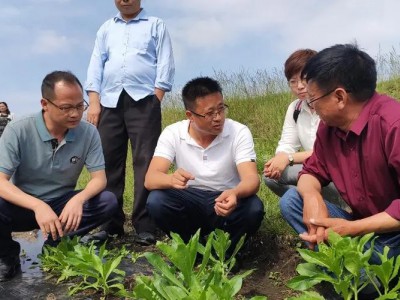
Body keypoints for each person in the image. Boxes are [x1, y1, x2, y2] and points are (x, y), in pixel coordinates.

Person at [280, 44, 400, 264]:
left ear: (340, 97)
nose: (312, 108)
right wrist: (312, 197)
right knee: (291, 200)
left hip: (394, 231)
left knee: (364, 276)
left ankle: (354, 269)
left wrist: (353, 228)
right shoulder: (330, 129)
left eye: (313, 100)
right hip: (361, 226)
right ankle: (352, 266)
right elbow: (311, 171)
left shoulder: (393, 124)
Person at [0, 71, 118, 281]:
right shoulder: (19, 129)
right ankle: (8, 256)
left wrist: (78, 199)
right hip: (24, 205)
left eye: (80, 106)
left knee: (107, 200)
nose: (75, 114)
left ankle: (55, 244)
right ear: (45, 103)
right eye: (66, 108)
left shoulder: (89, 133)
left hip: (62, 208)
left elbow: (99, 179)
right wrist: (37, 205)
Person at [85, 0, 175, 245]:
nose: (125, 0)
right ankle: (110, 225)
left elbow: (165, 61)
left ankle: (145, 225)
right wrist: (94, 101)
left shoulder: (155, 25)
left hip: (144, 100)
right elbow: (96, 64)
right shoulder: (106, 29)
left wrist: (156, 97)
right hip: (109, 101)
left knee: (145, 161)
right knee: (108, 161)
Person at [145, 77, 265, 255]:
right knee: (157, 201)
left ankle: (227, 254)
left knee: (253, 208)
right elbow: (150, 178)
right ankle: (191, 248)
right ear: (190, 116)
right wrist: (171, 179)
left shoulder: (238, 132)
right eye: (210, 113)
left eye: (221, 109)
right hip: (190, 198)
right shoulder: (173, 133)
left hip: (225, 199)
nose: (218, 118)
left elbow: (251, 179)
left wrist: (235, 193)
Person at [263, 49, 342, 205]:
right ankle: (314, 206)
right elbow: (287, 144)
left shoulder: (333, 103)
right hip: (314, 169)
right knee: (271, 176)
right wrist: (280, 159)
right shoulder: (295, 108)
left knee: (291, 173)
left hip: (337, 170)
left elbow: (329, 153)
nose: (299, 86)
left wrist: (289, 158)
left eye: (304, 79)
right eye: (293, 81)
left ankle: (341, 206)